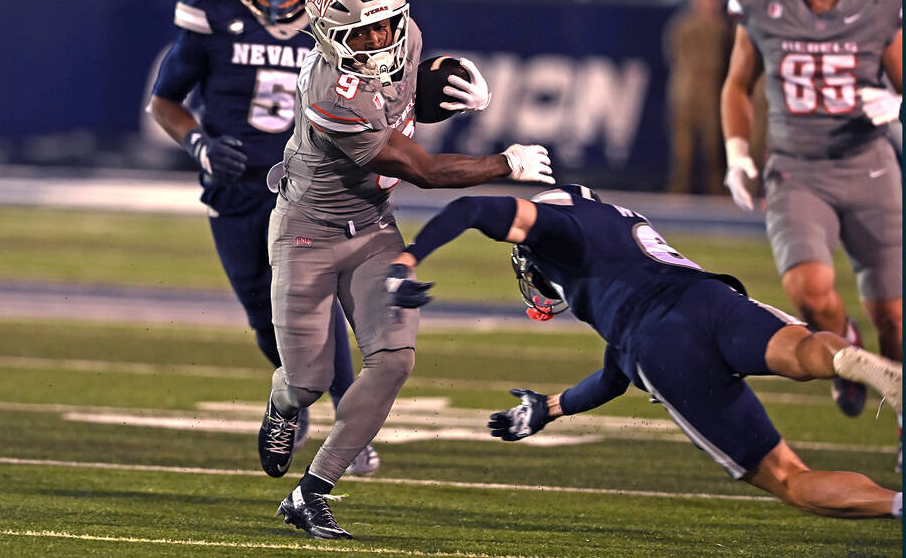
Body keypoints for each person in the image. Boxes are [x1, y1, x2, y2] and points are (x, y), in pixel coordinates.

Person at [387, 185, 903, 519]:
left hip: (660, 348)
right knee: (807, 349)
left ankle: (897, 505)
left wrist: (409, 259)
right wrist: (550, 407)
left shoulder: (560, 226)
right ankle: (851, 362)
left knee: (789, 477)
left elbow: (472, 208)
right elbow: (615, 372)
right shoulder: (620, 222)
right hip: (707, 299)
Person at [260, 0, 555, 540]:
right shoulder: (329, 90)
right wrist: (505, 163)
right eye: (363, 33)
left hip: (373, 226)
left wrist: (451, 78)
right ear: (326, 33)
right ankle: (282, 404)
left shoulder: (405, 33)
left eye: (386, 26)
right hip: (307, 233)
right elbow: (421, 169)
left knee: (394, 361)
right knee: (308, 381)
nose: (381, 41)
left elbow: (407, 93)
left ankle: (312, 492)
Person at [147, 0, 379, 475]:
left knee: (314, 302)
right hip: (233, 186)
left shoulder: (338, 23)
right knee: (263, 313)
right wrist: (200, 145)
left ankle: (351, 427)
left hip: (306, 187)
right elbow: (165, 101)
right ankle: (293, 400)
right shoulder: (213, 14)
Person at [719, 0, 902, 468]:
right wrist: (737, 153)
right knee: (809, 293)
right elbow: (737, 84)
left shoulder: (882, 0)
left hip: (869, 165)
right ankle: (845, 350)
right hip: (796, 169)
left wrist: (899, 105)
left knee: (895, 315)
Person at [662, 0, 730, 194]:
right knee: (683, 144)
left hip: (711, 90)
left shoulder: (722, 28)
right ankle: (680, 185)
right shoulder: (683, 26)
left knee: (713, 143)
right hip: (685, 89)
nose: (711, 4)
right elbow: (673, 53)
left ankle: (716, 186)